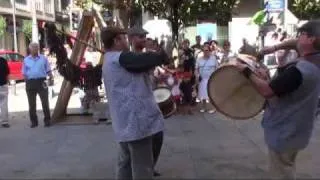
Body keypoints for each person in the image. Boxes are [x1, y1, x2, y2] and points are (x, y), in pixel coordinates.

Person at [235, 20, 320, 179]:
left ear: (312, 39)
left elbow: (267, 91)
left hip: (286, 130)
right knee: (287, 166)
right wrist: (274, 48)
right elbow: (295, 44)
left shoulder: (299, 71)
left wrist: (247, 71)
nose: (298, 37)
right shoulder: (315, 58)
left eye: (302, 34)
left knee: (281, 172)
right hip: (299, 129)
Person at [101, 27, 169, 180]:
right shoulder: (120, 58)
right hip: (136, 123)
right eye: (123, 38)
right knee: (142, 167)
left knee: (125, 163)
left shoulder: (111, 59)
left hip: (125, 122)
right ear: (116, 41)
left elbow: (139, 67)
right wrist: (161, 54)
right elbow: (143, 61)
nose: (126, 41)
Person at [127, 26, 163, 177]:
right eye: (141, 37)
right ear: (132, 39)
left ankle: (149, 165)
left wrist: (155, 77)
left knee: (157, 136)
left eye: (145, 37)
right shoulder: (127, 57)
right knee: (139, 145)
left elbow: (149, 74)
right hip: (136, 106)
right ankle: (141, 169)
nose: (144, 40)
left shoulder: (147, 55)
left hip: (148, 100)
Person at [23, 42, 53, 128]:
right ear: (30, 49)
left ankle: (47, 120)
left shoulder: (43, 58)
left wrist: (51, 77)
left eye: (36, 47)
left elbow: (48, 69)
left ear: (38, 49)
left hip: (42, 81)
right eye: (33, 47)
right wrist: (27, 81)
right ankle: (34, 122)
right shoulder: (26, 60)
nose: (35, 49)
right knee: (32, 104)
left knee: (45, 102)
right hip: (30, 82)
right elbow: (24, 73)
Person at [196, 44, 218, 113]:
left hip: (211, 79)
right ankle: (204, 107)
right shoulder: (199, 59)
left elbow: (217, 68)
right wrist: (197, 76)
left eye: (207, 50)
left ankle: (213, 108)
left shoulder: (213, 58)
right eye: (204, 50)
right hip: (202, 79)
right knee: (203, 94)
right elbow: (196, 68)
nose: (206, 52)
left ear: (210, 51)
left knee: (211, 94)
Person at [0, 57, 10, 128]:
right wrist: (7, 82)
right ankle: (4, 122)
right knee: (4, 104)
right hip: (3, 84)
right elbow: (7, 73)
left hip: (3, 84)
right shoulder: (3, 60)